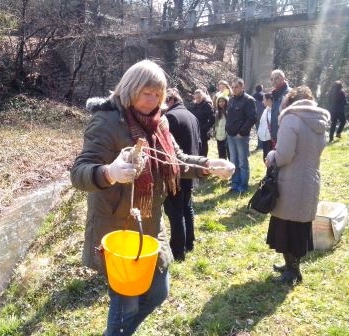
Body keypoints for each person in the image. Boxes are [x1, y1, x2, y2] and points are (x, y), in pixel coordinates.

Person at [70, 60, 234, 336]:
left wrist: (208, 165)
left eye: (158, 94)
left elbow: (177, 161)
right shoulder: (107, 121)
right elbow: (79, 172)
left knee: (159, 291)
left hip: (149, 223)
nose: (152, 100)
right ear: (130, 89)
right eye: (146, 92)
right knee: (126, 303)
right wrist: (110, 172)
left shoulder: (161, 123)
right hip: (116, 228)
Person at [265, 85, 330, 285]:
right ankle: (292, 267)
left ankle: (292, 273)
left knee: (286, 228)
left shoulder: (291, 119)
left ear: (290, 102)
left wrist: (270, 155)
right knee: (299, 227)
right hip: (310, 181)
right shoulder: (319, 122)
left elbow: (284, 155)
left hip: (291, 183)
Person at [164, 88, 201, 260]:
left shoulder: (171, 117)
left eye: (165, 101)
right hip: (190, 168)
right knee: (187, 207)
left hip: (178, 170)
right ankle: (189, 242)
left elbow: (167, 147)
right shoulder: (192, 116)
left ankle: (178, 250)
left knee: (175, 211)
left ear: (171, 100)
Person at [225, 78, 257, 193]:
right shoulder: (231, 100)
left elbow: (252, 118)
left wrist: (242, 132)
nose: (233, 89)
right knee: (233, 161)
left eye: (236, 87)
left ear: (242, 87)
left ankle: (243, 186)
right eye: (232, 87)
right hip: (230, 135)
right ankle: (235, 183)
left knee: (242, 162)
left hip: (241, 136)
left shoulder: (249, 100)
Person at [189, 88, 215, 156]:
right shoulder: (193, 106)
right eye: (196, 98)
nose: (198, 99)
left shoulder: (207, 105)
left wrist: (205, 128)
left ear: (203, 96)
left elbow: (212, 118)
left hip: (203, 131)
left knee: (203, 150)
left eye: (199, 97)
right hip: (195, 130)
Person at [270, 69, 291, 148]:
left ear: (283, 78)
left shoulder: (289, 94)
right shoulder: (274, 94)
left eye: (277, 78)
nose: (274, 81)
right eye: (272, 79)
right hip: (275, 133)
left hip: (286, 134)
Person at [257, 93, 274, 160]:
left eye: (264, 99)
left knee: (269, 159)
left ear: (269, 100)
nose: (262, 101)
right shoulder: (266, 109)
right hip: (265, 138)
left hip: (270, 139)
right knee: (265, 158)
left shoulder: (273, 111)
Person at [214, 95, 229, 159]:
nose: (221, 103)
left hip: (227, 136)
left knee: (229, 153)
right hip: (219, 136)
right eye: (220, 101)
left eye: (223, 101)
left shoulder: (228, 112)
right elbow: (216, 125)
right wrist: (215, 132)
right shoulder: (217, 113)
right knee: (221, 154)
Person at [252, 84, 265, 149]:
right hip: (263, 115)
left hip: (256, 114)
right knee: (263, 129)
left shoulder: (253, 96)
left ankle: (259, 145)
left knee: (258, 129)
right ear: (261, 88)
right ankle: (262, 145)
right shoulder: (264, 96)